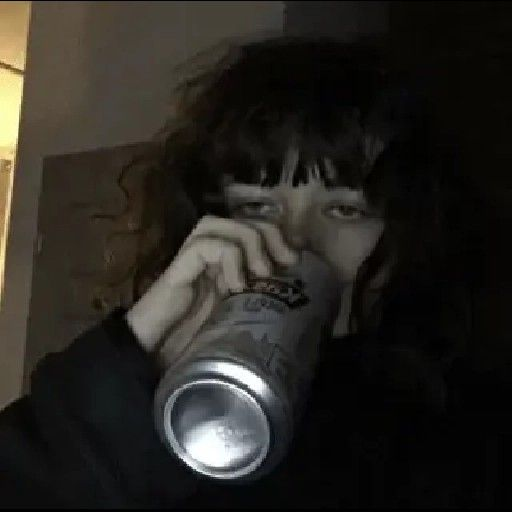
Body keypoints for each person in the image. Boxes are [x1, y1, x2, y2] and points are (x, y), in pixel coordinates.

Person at [0, 36, 495, 508]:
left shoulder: (469, 435)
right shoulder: (162, 401)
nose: (294, 243)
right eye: (257, 207)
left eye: (345, 210)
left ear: (408, 228)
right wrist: (134, 366)